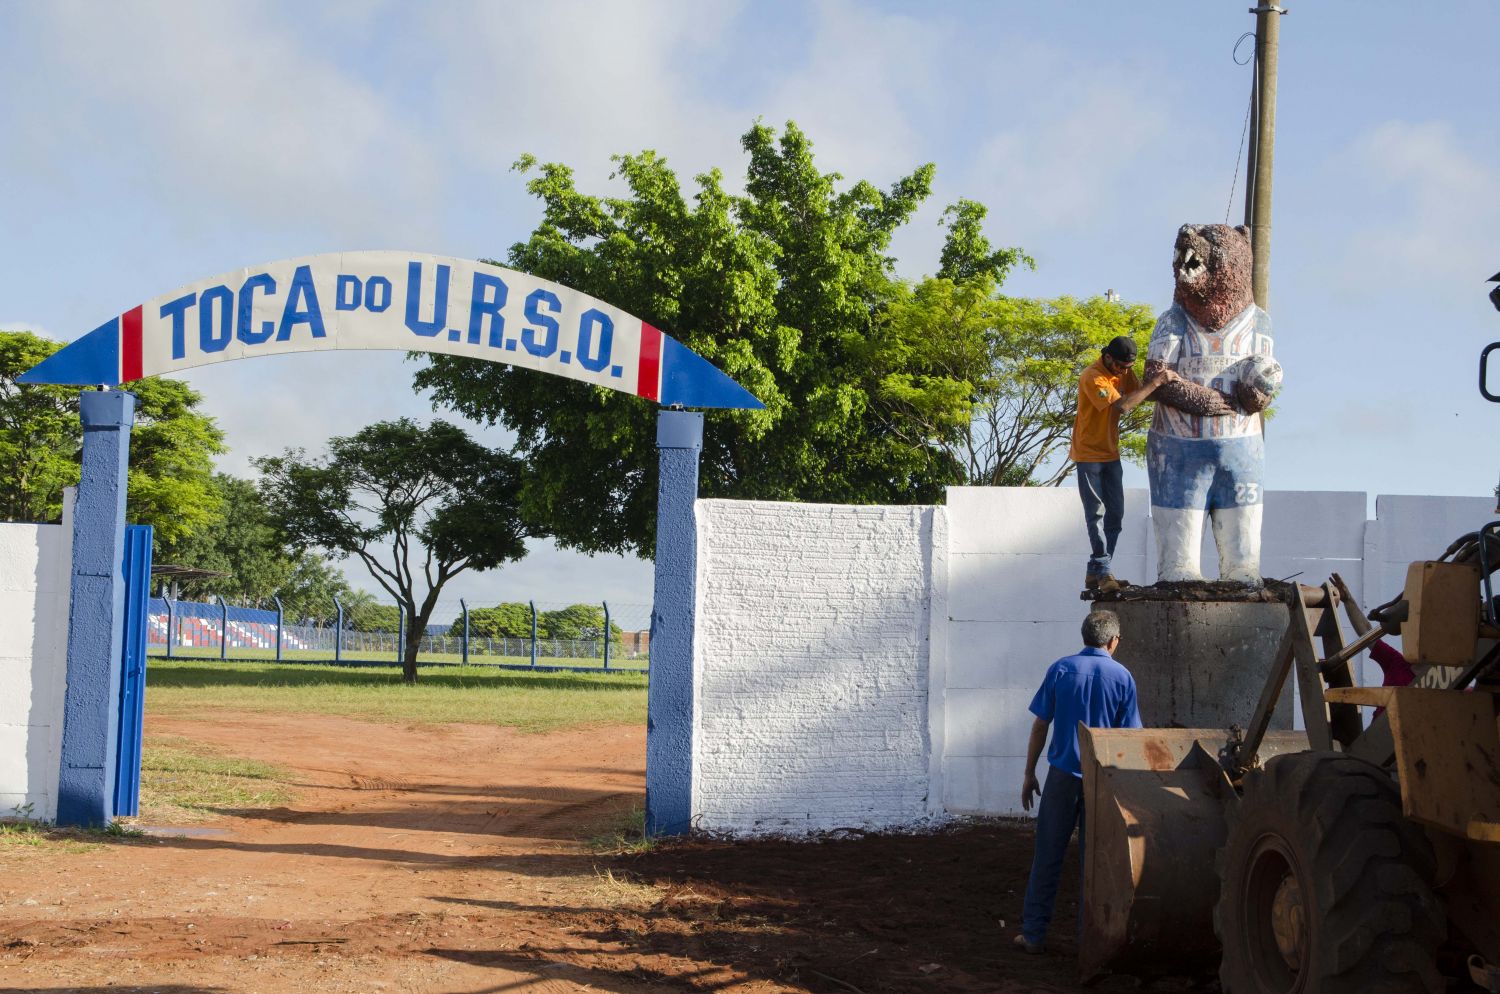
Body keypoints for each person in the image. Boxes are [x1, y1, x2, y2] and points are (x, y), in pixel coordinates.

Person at [1013, 609, 1142, 955]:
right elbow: (1129, 739)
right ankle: (1089, 942)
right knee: (1094, 863)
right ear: (1113, 641)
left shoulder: (1060, 669)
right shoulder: (1123, 678)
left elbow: (1040, 725)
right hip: (1101, 783)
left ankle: (1034, 934)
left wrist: (1029, 773)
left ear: (1084, 635)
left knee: (1047, 857)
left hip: (1061, 779)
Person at [1070, 336, 1175, 592]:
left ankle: (1096, 572)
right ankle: (1104, 572)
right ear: (1107, 358)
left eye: (1127, 368)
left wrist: (1165, 378)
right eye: (1119, 367)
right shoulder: (1093, 377)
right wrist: (1157, 382)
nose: (1124, 372)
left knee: (1116, 515)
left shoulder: (1123, 371)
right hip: (1088, 455)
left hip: (1110, 454)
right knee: (1095, 515)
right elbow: (1124, 406)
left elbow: (1141, 394)